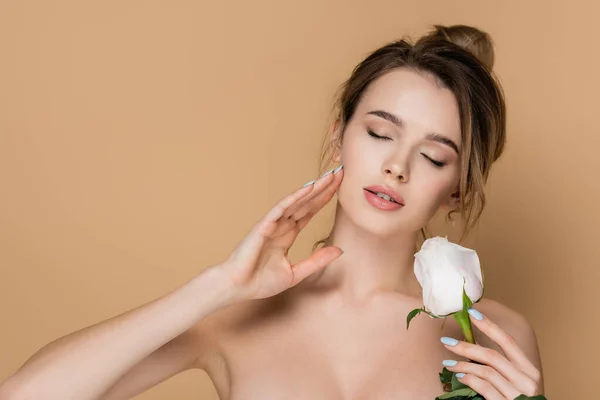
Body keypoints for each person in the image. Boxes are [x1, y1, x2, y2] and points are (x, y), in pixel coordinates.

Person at [0, 24, 545, 400]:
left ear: (457, 189)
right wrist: (216, 286)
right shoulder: (231, 316)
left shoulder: (492, 337)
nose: (397, 167)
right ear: (339, 140)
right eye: (380, 133)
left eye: (432, 156)